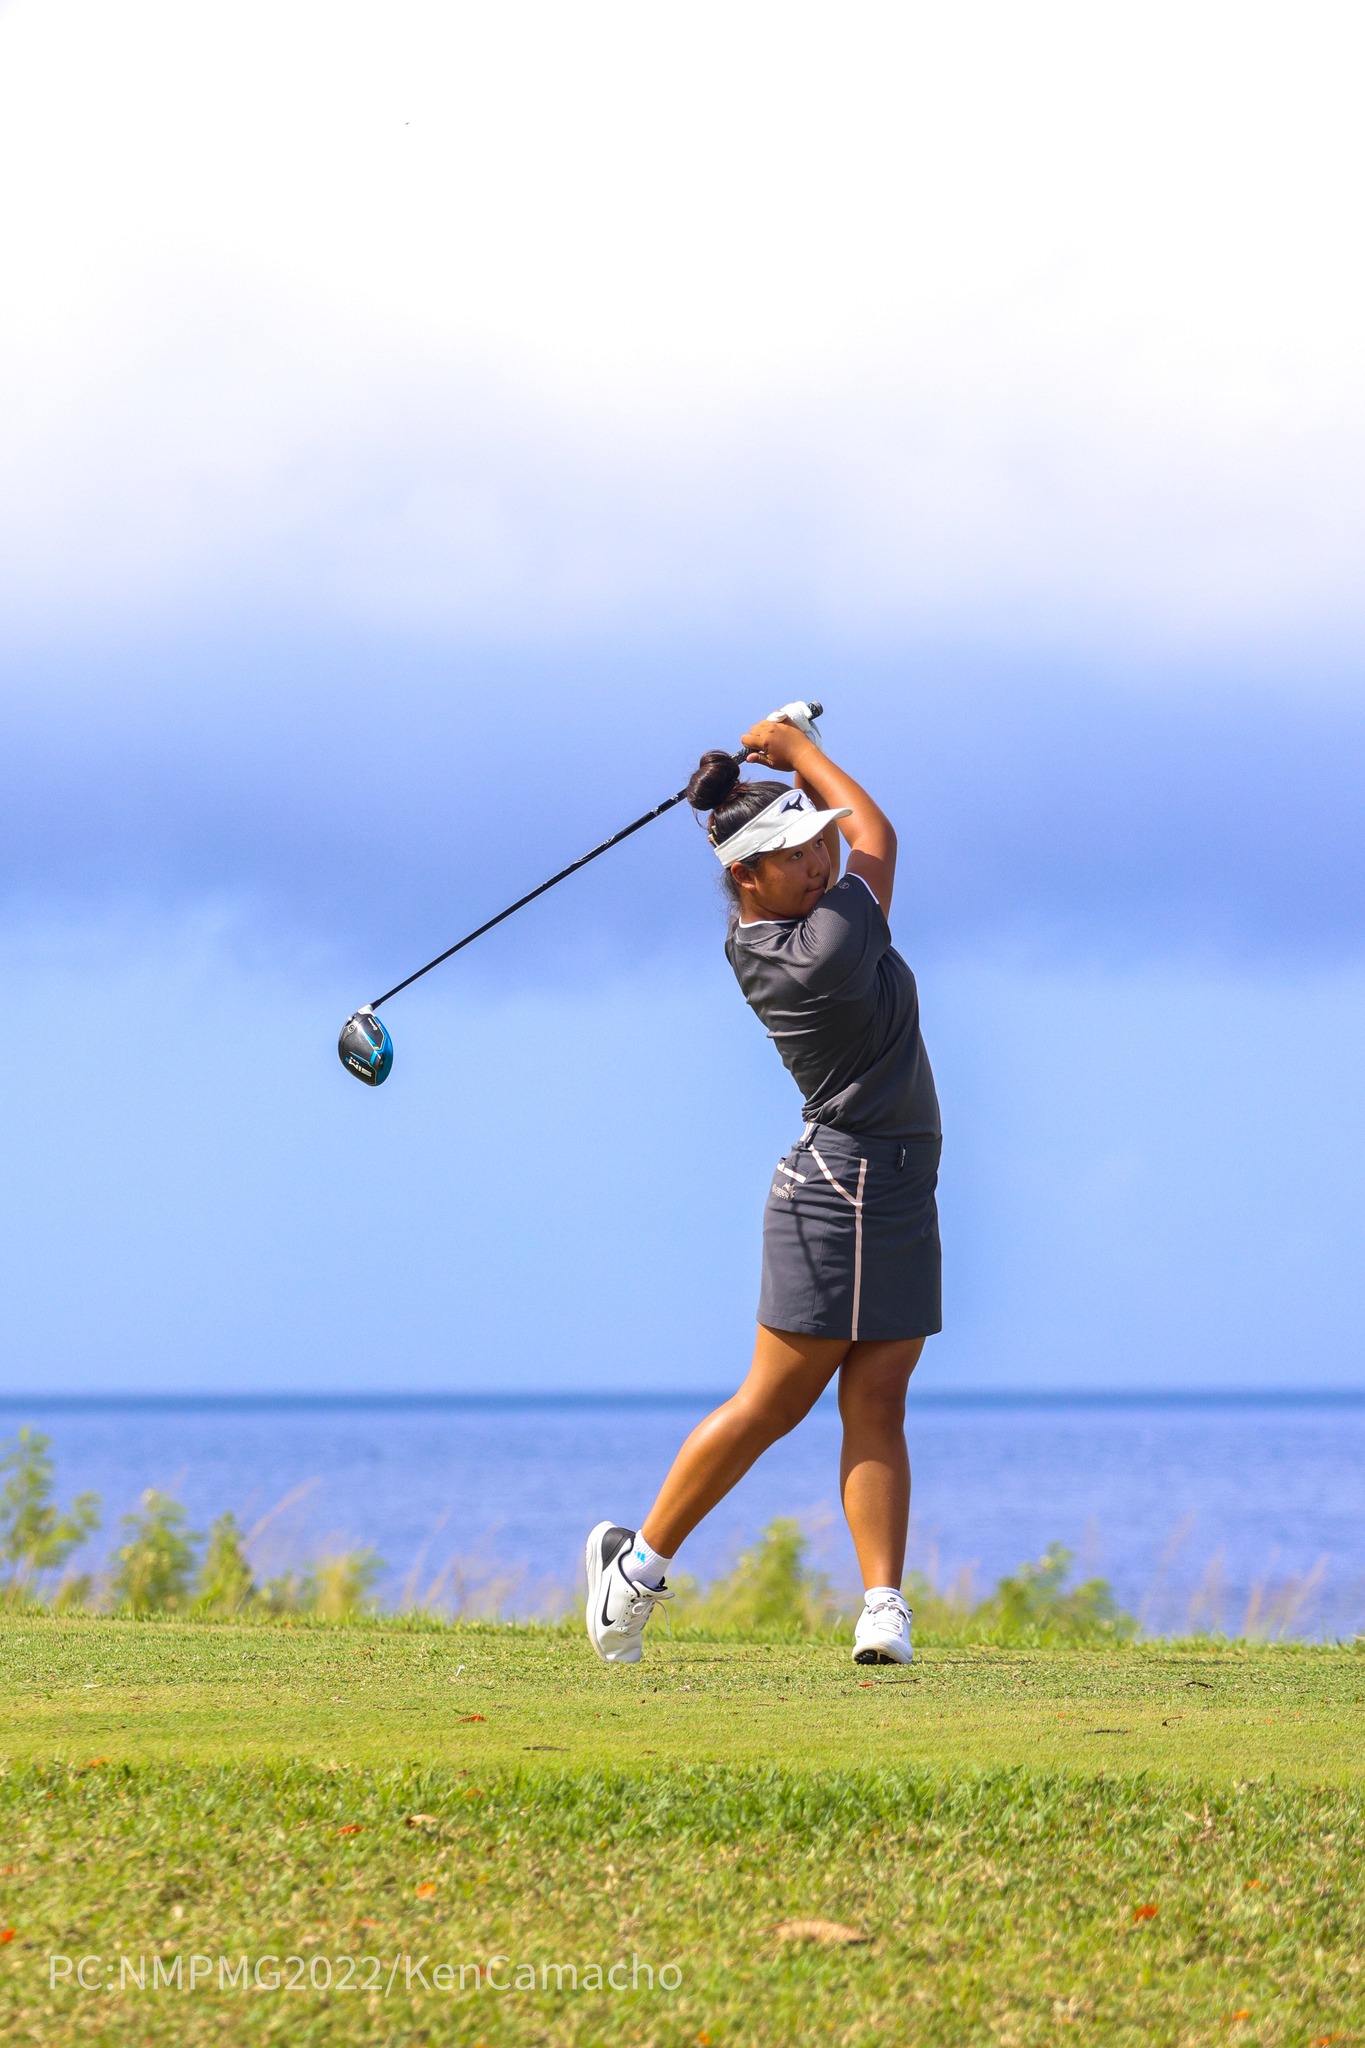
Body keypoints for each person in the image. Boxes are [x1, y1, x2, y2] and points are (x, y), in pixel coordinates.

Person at [584, 704, 942, 1667]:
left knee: (879, 1402)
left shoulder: (803, 923)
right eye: (794, 855)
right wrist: (798, 752)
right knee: (772, 1405)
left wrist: (786, 761)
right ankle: (636, 1571)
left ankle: (880, 1607)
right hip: (840, 1191)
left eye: (815, 848)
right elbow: (878, 834)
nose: (821, 861)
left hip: (896, 1184)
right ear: (746, 874)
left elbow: (852, 840)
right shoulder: (817, 946)